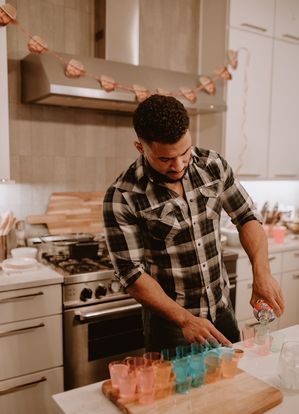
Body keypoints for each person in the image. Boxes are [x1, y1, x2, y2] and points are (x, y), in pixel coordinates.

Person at [103, 94, 284, 352]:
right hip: (172, 325)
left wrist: (262, 273)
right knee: (181, 393)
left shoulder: (213, 166)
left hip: (222, 312)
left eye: (185, 152)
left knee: (233, 388)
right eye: (165, 159)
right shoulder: (124, 195)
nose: (178, 165)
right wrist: (186, 319)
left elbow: (246, 216)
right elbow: (131, 274)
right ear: (140, 147)